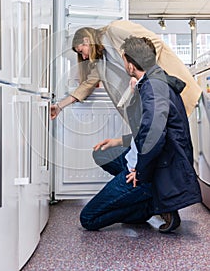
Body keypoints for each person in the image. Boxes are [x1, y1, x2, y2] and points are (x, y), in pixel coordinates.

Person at [80, 36, 202, 233]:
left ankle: (153, 202)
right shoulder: (151, 81)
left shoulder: (153, 89)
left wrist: (141, 172)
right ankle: (144, 196)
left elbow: (154, 136)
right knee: (101, 153)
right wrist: (118, 141)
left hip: (145, 170)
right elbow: (146, 129)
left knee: (88, 219)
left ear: (130, 64)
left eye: (124, 60)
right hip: (140, 159)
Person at [50, 20, 202, 120]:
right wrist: (59, 107)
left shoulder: (115, 30)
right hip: (155, 100)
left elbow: (154, 42)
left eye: (80, 50)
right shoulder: (101, 61)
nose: (82, 57)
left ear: (87, 40)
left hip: (174, 90)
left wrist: (139, 72)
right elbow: (87, 85)